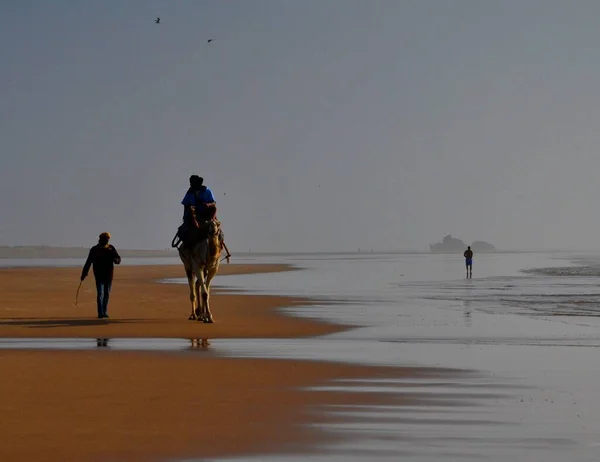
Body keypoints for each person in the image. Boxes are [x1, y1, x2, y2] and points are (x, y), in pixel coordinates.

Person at [81, 232, 121, 319]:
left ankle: (104, 312)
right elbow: (88, 262)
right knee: (100, 294)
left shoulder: (111, 248)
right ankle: (100, 313)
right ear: (100, 239)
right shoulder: (94, 249)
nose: (106, 240)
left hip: (109, 275)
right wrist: (84, 273)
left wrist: (116, 260)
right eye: (105, 239)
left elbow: (118, 258)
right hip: (99, 275)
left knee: (106, 294)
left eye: (107, 239)